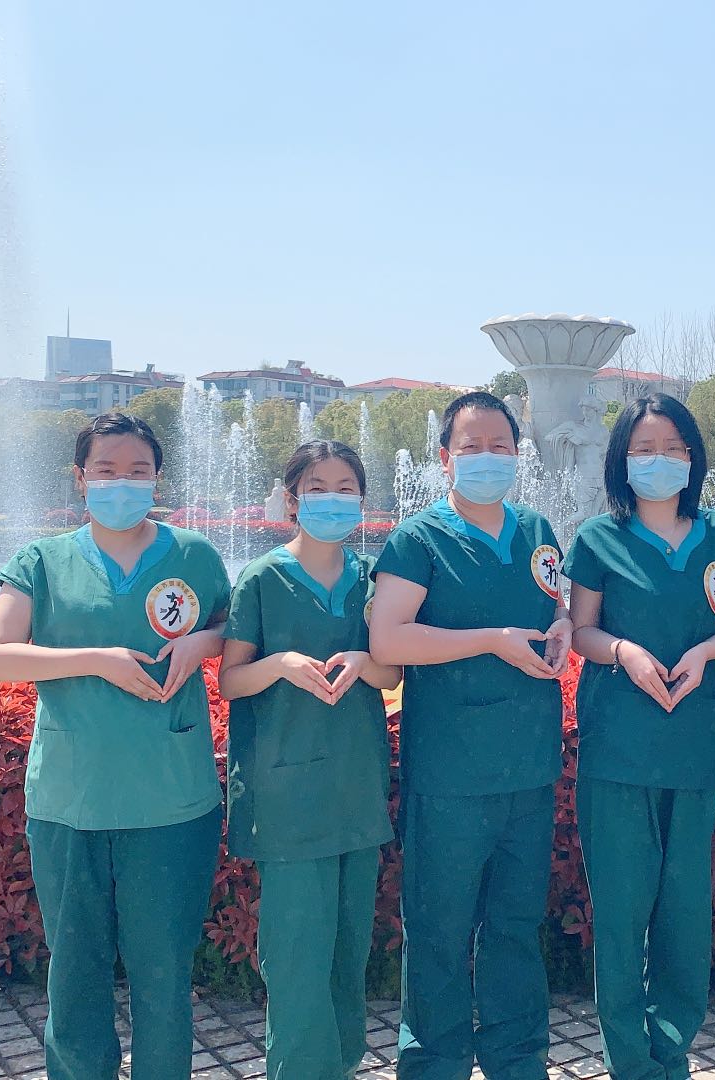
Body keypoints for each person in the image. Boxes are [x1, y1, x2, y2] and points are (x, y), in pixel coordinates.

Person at [0, 412, 231, 1080]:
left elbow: (237, 633)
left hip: (172, 801)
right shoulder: (42, 562)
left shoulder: (194, 556)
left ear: (157, 479)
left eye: (138, 471)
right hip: (72, 801)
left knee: (165, 975)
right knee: (75, 974)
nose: (122, 483)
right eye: (107, 470)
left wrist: (202, 642)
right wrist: (97, 659)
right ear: (80, 477)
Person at [368, 391, 571, 1080]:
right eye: (472, 446)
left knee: (516, 926)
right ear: (445, 457)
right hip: (451, 773)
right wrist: (489, 639)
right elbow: (388, 638)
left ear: (517, 454)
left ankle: (518, 1059)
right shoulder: (418, 540)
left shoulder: (537, 529)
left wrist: (563, 626)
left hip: (529, 767)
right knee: (439, 931)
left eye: (500, 447)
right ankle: (434, 1063)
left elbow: (552, 605)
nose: (488, 458)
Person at [561, 394, 715, 1080]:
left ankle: (671, 1054)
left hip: (693, 748)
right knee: (619, 916)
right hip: (618, 751)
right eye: (644, 449)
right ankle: (630, 1062)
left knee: (683, 912)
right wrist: (624, 652)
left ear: (694, 458)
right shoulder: (598, 539)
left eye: (674, 448)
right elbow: (581, 630)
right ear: (622, 460)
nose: (660, 460)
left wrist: (705, 652)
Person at [221, 439, 400, 1080]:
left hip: (355, 786)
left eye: (345, 487)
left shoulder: (373, 579)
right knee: (297, 953)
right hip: (287, 796)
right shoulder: (262, 579)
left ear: (362, 500)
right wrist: (280, 665)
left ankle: (342, 1065)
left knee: (348, 951)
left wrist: (365, 661)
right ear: (292, 499)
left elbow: (392, 672)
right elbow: (231, 680)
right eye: (317, 487)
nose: (332, 499)